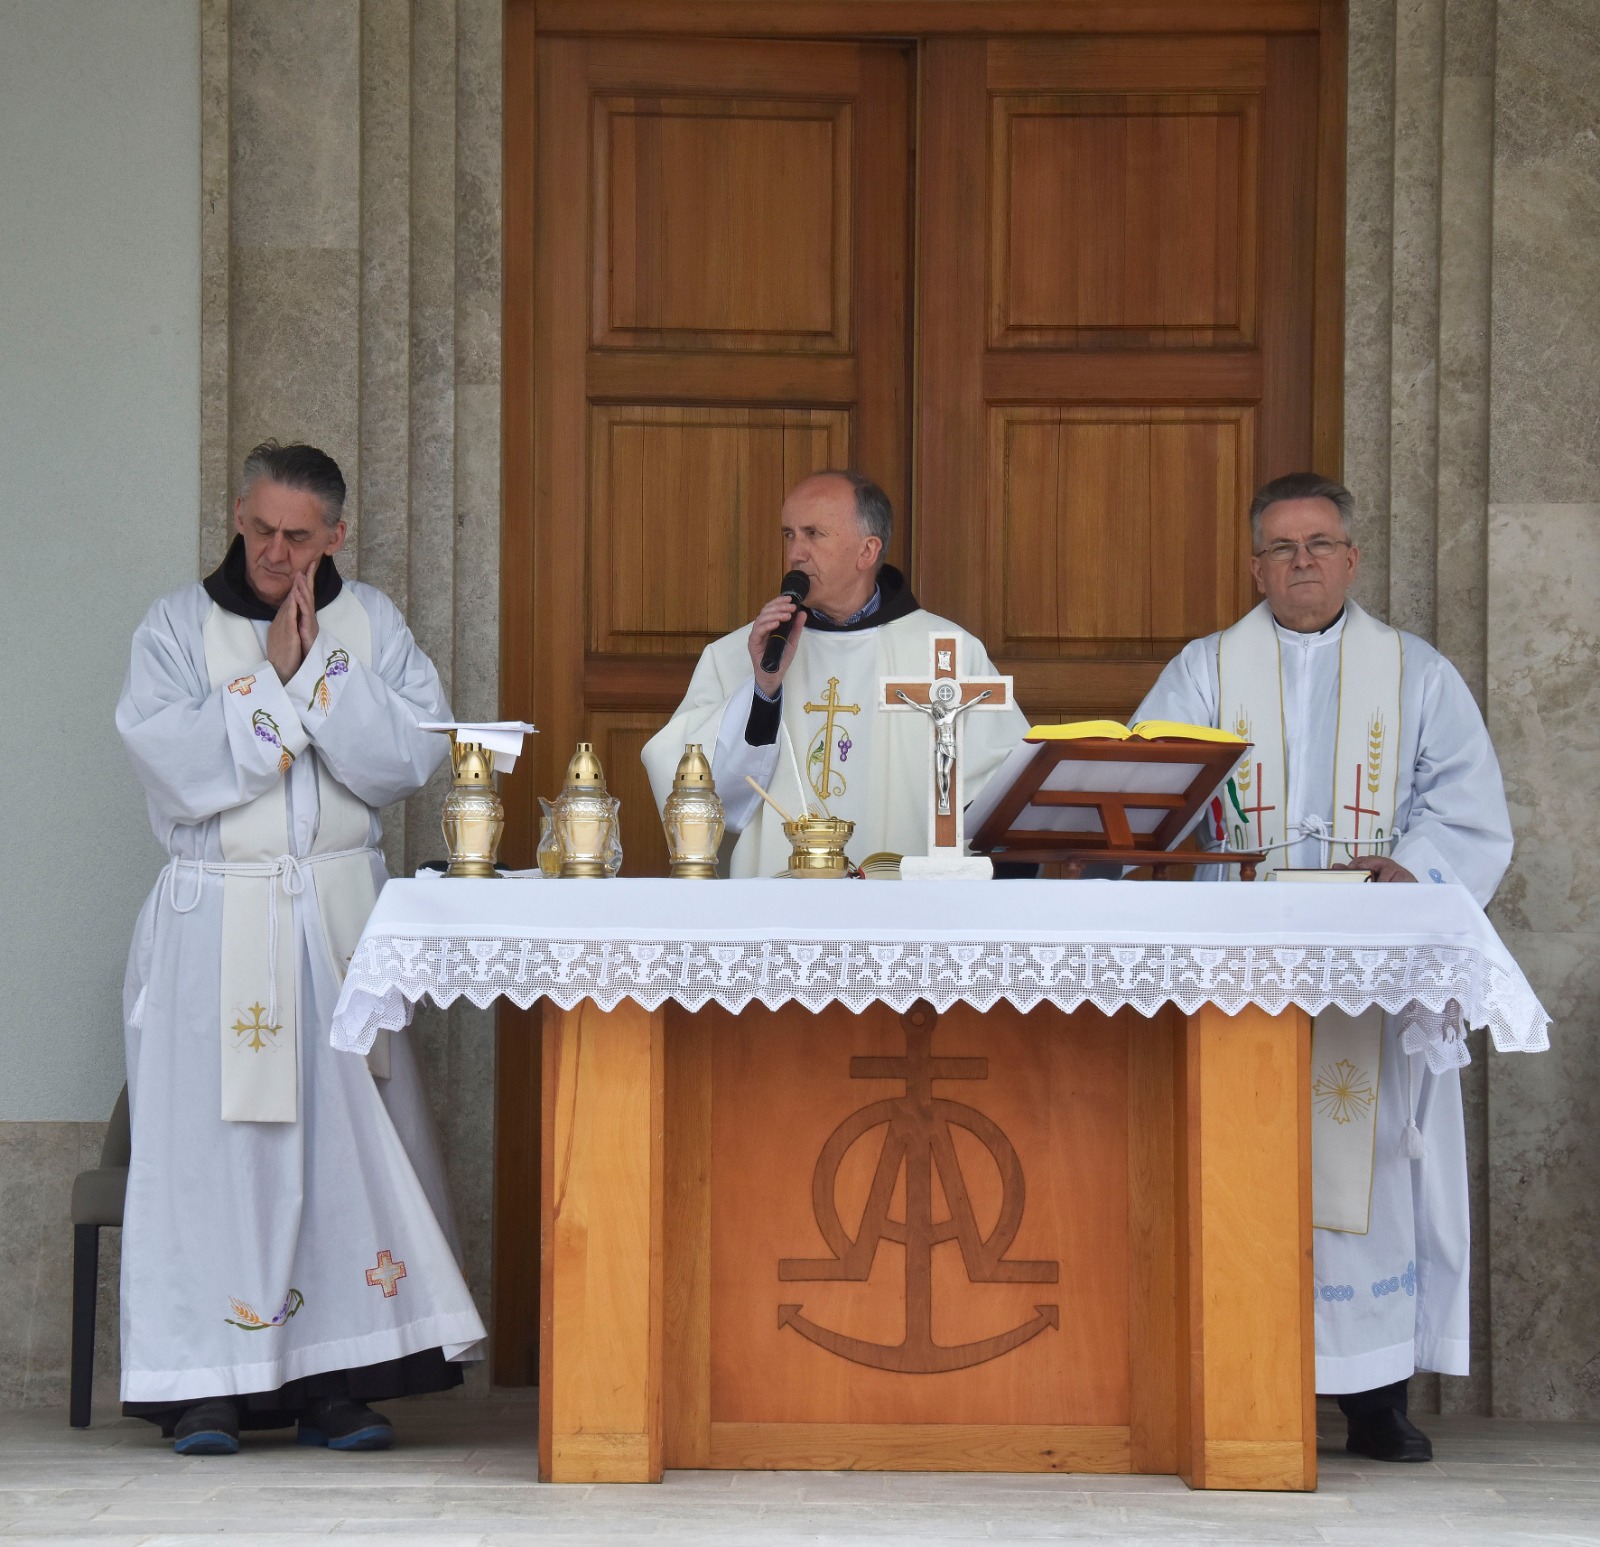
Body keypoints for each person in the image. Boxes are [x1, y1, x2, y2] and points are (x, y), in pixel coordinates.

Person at [116, 441, 486, 1455]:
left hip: (333, 919)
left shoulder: (371, 625)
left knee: (339, 1160)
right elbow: (175, 767)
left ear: (336, 535)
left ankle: (337, 1379)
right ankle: (203, 1386)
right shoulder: (173, 628)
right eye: (262, 529)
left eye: (300, 536)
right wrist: (275, 680)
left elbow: (406, 757)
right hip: (212, 921)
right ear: (238, 513)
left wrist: (320, 670)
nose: (277, 551)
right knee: (211, 1158)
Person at [1135, 471, 1513, 1462]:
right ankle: (1227, 1375)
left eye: (1317, 544)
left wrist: (1413, 867)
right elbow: (1149, 779)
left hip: (1363, 957)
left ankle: (1373, 1395)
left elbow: (1465, 806)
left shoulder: (1416, 672)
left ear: (1351, 556)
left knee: (1375, 1161)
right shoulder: (1205, 668)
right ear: (1252, 565)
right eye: (1279, 547)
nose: (1299, 562)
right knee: (1231, 1156)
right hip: (1238, 950)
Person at [642, 471, 1028, 874]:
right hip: (777, 910)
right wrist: (763, 690)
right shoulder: (739, 654)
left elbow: (1004, 790)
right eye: (789, 534)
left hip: (908, 907)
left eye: (813, 534)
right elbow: (695, 792)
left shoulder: (946, 653)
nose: (796, 553)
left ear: (867, 551)